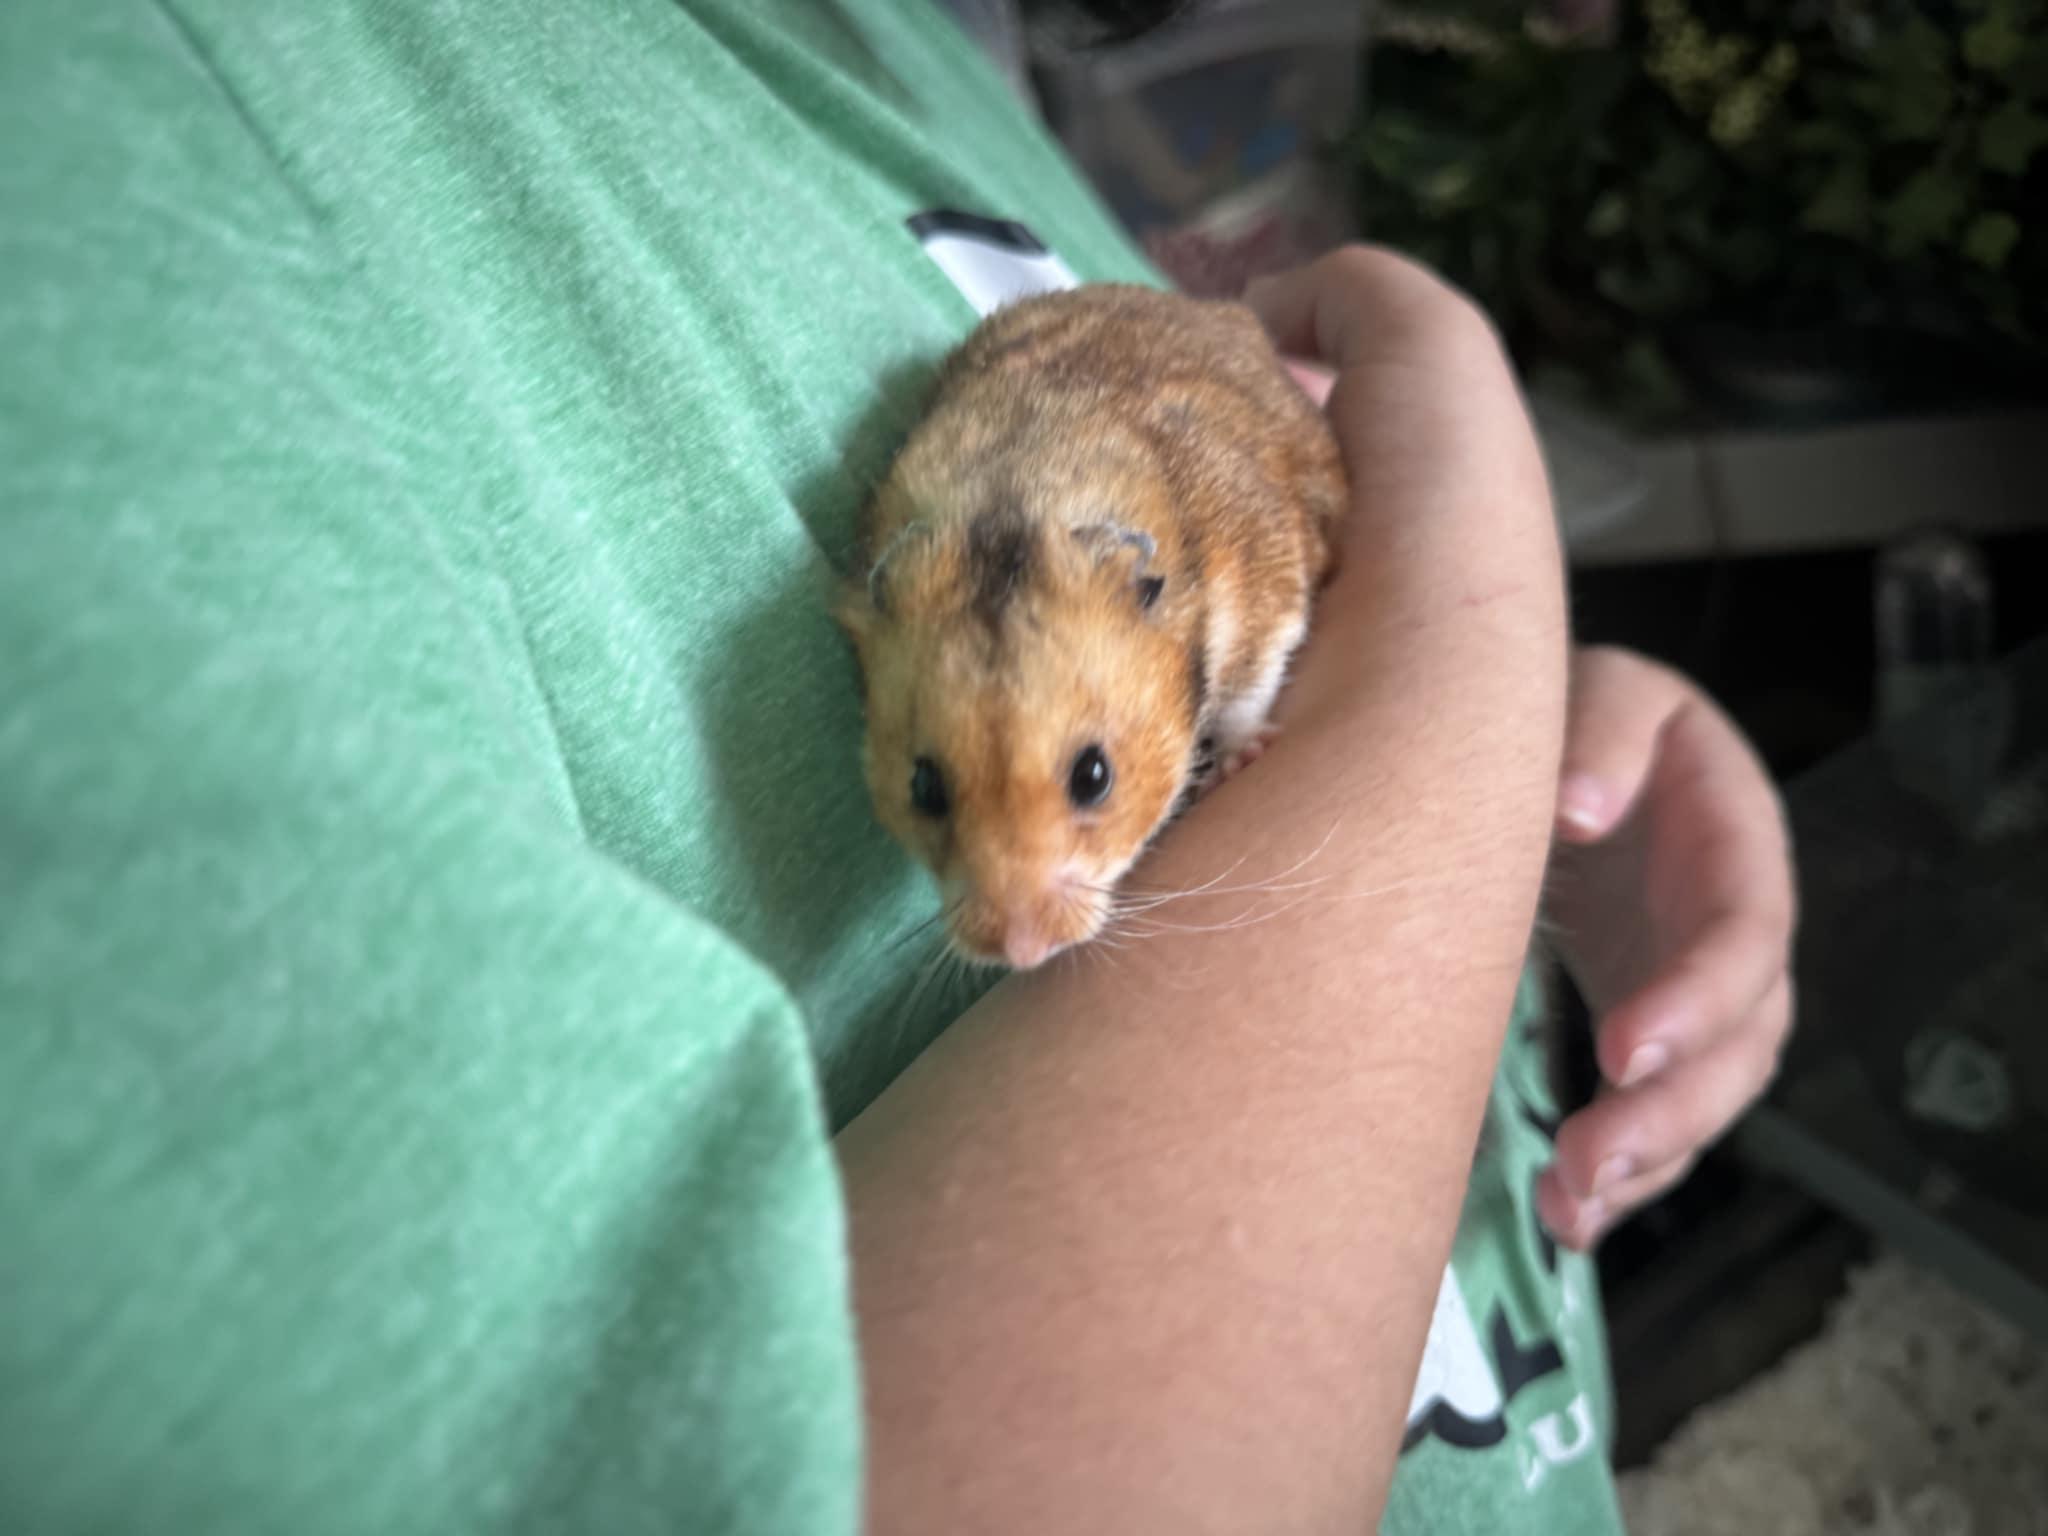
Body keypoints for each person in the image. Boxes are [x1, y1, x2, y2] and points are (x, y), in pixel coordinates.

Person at [0, 2, 1794, 1532]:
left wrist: (1519, 772)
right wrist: (1472, 588)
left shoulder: (887, 43)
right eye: (936, 800)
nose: (1006, 922)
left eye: (1074, 787)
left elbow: (1295, 639)